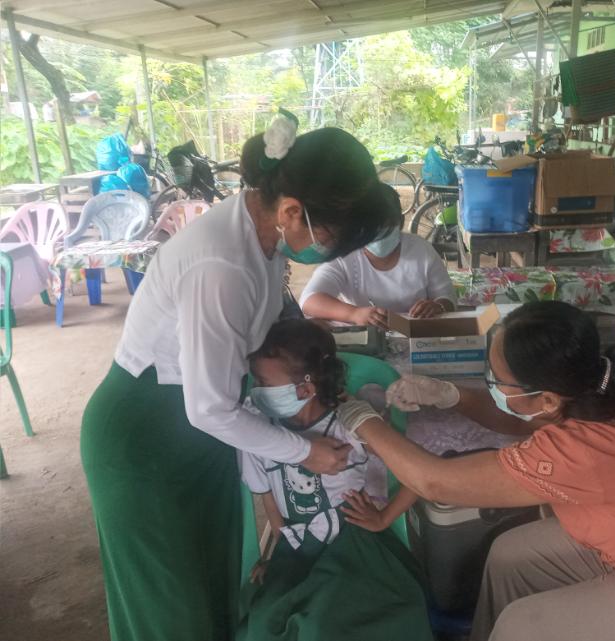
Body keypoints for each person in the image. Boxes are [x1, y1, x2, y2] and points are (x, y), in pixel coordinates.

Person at [80, 116, 399, 641]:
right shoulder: (221, 266)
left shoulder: (262, 237)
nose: (326, 253)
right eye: (329, 239)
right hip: (146, 437)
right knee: (168, 608)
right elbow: (208, 408)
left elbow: (252, 346)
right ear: (292, 211)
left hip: (201, 433)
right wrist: (305, 451)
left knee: (212, 583)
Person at [336, 301, 615, 641]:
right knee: (510, 557)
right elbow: (523, 419)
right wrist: (451, 395)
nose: (490, 385)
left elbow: (435, 481)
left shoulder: (586, 451)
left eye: (497, 381)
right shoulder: (613, 387)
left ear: (548, 397)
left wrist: (360, 418)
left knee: (523, 623)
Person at [239, 319, 431, 641]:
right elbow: (268, 496)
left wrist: (384, 518)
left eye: (262, 382)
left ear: (305, 389)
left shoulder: (349, 426)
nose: (253, 391)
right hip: (298, 550)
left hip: (354, 545)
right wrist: (276, 553)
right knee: (265, 625)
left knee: (325, 626)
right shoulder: (259, 432)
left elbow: (418, 473)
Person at [299, 186, 456, 328]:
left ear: (400, 222)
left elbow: (447, 297)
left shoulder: (421, 250)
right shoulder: (345, 255)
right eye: (370, 229)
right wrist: (354, 314)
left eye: (385, 227)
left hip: (417, 334)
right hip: (368, 335)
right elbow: (309, 300)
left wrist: (438, 306)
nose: (377, 235)